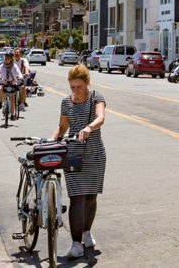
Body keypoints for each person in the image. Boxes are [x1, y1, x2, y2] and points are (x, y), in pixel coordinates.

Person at [50, 64, 106, 259]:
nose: (75, 91)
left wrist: (89, 128)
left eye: (79, 87)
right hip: (73, 153)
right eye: (72, 87)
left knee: (91, 196)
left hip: (95, 152)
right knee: (76, 196)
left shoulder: (96, 97)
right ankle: (76, 244)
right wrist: (51, 139)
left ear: (87, 83)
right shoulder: (66, 102)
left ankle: (86, 232)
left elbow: (101, 117)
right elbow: (62, 127)